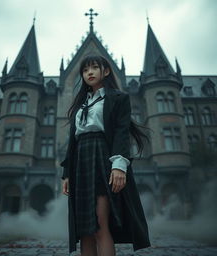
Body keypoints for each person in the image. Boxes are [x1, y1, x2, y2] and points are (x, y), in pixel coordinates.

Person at [60, 54, 151, 256]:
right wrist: (66, 173)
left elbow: (121, 132)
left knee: (100, 223)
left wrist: (119, 166)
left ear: (106, 71)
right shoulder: (80, 105)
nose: (89, 72)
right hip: (80, 163)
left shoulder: (118, 98)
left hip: (103, 158)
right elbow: (72, 142)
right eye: (85, 70)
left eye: (94, 68)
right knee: (84, 229)